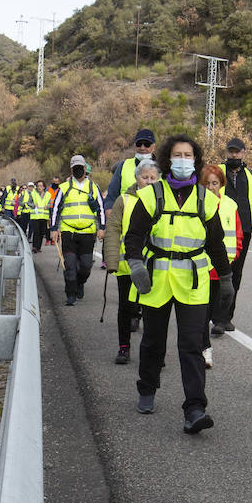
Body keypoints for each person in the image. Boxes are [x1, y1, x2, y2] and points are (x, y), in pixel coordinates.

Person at [123, 135, 234, 431]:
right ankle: (147, 387)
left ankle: (195, 408)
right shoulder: (150, 195)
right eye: (177, 154)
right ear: (167, 160)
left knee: (192, 346)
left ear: (195, 160)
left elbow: (216, 244)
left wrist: (225, 279)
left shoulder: (206, 199)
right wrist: (135, 264)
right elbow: (133, 236)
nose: (183, 159)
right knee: (152, 341)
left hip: (193, 282)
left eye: (188, 155)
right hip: (156, 278)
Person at [105, 160, 159, 365]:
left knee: (151, 310)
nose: (148, 181)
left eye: (153, 178)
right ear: (136, 178)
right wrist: (111, 260)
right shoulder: (123, 200)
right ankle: (124, 347)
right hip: (127, 265)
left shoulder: (162, 201)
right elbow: (113, 229)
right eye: (145, 177)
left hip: (153, 267)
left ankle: (152, 353)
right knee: (125, 308)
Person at [216, 136, 252, 336]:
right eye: (231, 151)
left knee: (235, 275)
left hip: (242, 232)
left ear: (244, 153)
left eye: (237, 151)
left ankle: (226, 317)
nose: (234, 155)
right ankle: (216, 317)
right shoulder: (217, 171)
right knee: (219, 273)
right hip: (217, 230)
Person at [199, 164, 243, 369]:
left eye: (214, 183)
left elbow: (238, 233)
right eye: (206, 183)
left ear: (221, 184)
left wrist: (233, 257)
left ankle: (213, 331)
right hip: (201, 268)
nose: (211, 187)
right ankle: (204, 349)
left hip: (223, 268)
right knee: (201, 312)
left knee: (217, 308)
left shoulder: (230, 205)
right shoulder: (196, 204)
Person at [50, 155, 106, 307]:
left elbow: (101, 208)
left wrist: (102, 227)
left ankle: (80, 282)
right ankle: (71, 293)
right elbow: (55, 209)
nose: (78, 170)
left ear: (85, 168)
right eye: (75, 168)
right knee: (69, 264)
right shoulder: (64, 188)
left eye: (80, 167)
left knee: (86, 266)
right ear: (71, 169)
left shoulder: (93, 187)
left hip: (88, 233)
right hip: (69, 232)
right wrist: (54, 229)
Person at [107, 128, 157, 210]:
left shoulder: (162, 168)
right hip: (125, 220)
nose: (142, 148)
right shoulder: (123, 166)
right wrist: (109, 212)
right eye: (139, 144)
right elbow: (111, 196)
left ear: (153, 147)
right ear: (134, 146)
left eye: (147, 144)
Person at [27, 180, 50, 252]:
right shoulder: (33, 193)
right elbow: (28, 203)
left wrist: (48, 206)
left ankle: (39, 247)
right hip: (35, 216)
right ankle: (34, 247)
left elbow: (51, 203)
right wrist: (33, 205)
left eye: (41, 186)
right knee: (36, 232)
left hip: (44, 216)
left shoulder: (48, 194)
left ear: (44, 187)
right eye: (38, 186)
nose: (39, 187)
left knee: (41, 233)